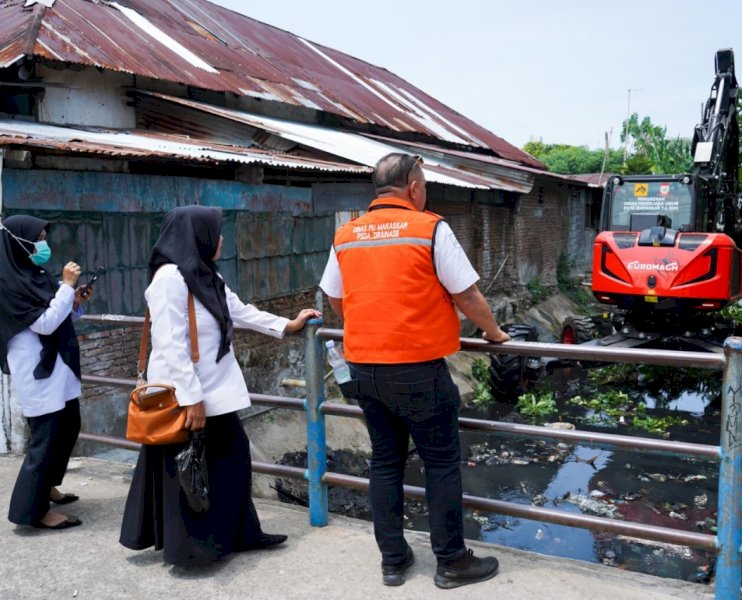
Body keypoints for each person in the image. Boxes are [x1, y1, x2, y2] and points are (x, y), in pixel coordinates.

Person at [319, 153, 512, 589]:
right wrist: (494, 332)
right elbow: (466, 293)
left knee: (386, 462)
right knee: (441, 463)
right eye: (424, 184)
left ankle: (393, 560)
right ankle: (451, 562)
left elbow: (334, 297)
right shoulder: (430, 229)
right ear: (413, 188)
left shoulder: (346, 234)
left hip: (364, 367)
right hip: (417, 368)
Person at [119, 205, 320, 566]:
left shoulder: (204, 273)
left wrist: (286, 325)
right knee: (187, 468)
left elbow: (238, 311)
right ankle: (192, 550)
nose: (222, 238)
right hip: (187, 394)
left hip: (215, 390)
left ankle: (241, 533)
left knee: (232, 458)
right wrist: (192, 399)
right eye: (216, 230)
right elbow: (170, 343)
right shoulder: (169, 280)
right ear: (197, 234)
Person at [0, 215, 94, 530]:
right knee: (45, 440)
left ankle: (48, 486)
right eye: (37, 238)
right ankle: (34, 511)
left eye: (43, 236)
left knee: (69, 426)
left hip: (60, 368)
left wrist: (74, 299)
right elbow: (44, 323)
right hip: (39, 373)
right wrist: (66, 286)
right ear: (18, 243)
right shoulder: (8, 284)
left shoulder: (35, 275)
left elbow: (58, 312)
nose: (43, 244)